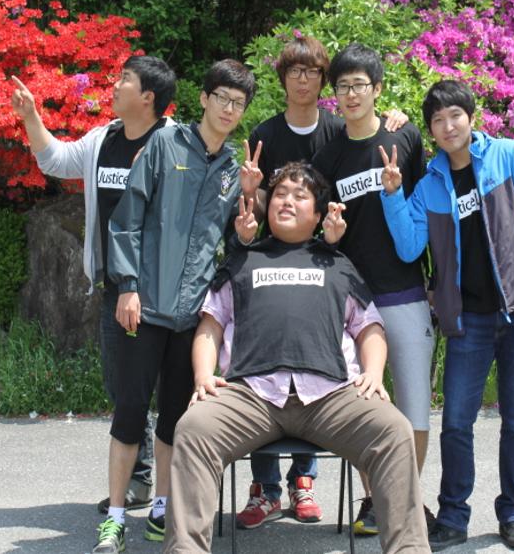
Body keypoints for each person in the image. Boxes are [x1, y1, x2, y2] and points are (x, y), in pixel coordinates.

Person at [163, 162, 431, 554]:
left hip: (330, 395)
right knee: (193, 428)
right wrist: (203, 375)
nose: (287, 202)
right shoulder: (242, 260)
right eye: (280, 195)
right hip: (252, 393)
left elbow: (369, 327)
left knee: (394, 430)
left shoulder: (338, 265)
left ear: (319, 215)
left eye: (300, 196)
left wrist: (373, 373)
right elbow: (211, 324)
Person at [236, 35, 409, 529]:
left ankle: (303, 481)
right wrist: (250, 198)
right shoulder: (266, 133)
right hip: (271, 261)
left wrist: (395, 117)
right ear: (283, 79)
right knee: (264, 359)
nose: (304, 80)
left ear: (323, 81)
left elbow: (369, 137)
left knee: (316, 360)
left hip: (325, 259)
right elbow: (256, 206)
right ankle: (266, 487)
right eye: (295, 72)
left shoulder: (336, 129)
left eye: (313, 72)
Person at [379, 80, 514, 551]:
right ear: (431, 131)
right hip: (467, 320)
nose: (448, 126)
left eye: (454, 115)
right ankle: (453, 516)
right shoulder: (429, 185)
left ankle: (513, 512)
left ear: (471, 117)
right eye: (438, 120)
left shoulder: (508, 156)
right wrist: (393, 196)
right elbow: (409, 246)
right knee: (457, 422)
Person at [93, 59, 261, 554]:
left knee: (174, 418)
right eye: (221, 98)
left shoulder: (233, 169)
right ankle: (116, 517)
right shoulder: (165, 144)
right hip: (144, 308)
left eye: (238, 103)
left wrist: (245, 222)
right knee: (129, 412)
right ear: (204, 99)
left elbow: (233, 245)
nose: (228, 109)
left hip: (191, 315)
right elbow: (127, 219)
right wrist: (127, 286)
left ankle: (162, 509)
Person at [11, 55, 176, 515]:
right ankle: (138, 477)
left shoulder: (173, 144)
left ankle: (171, 489)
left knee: (170, 389)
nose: (115, 84)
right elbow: (56, 160)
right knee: (120, 385)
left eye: (125, 79)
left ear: (148, 97)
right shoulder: (104, 139)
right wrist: (32, 117)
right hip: (115, 288)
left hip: (164, 290)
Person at [311, 43, 435, 536]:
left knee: (414, 404)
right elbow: (321, 232)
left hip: (404, 292)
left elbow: (424, 210)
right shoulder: (328, 156)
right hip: (354, 302)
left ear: (377, 89)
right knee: (364, 407)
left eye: (359, 85)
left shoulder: (405, 136)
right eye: (342, 87)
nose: (351, 94)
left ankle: (406, 502)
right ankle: (372, 501)